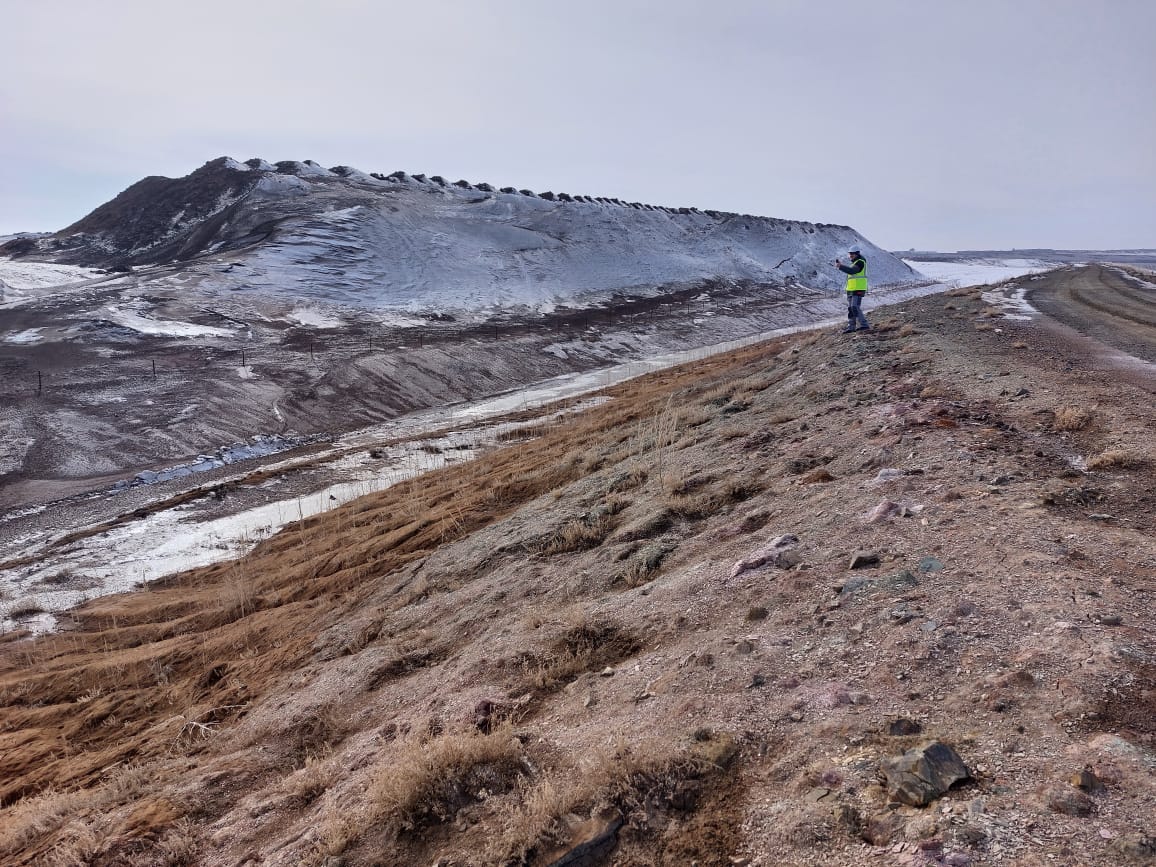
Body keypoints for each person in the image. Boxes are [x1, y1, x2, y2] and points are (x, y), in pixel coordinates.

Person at [834, 247, 870, 333]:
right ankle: (851, 327)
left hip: (858, 288)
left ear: (857, 254)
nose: (850, 256)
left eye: (852, 254)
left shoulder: (860, 262)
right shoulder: (854, 263)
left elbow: (852, 271)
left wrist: (840, 266)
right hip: (851, 289)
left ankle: (864, 325)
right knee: (851, 308)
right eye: (849, 254)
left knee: (855, 306)